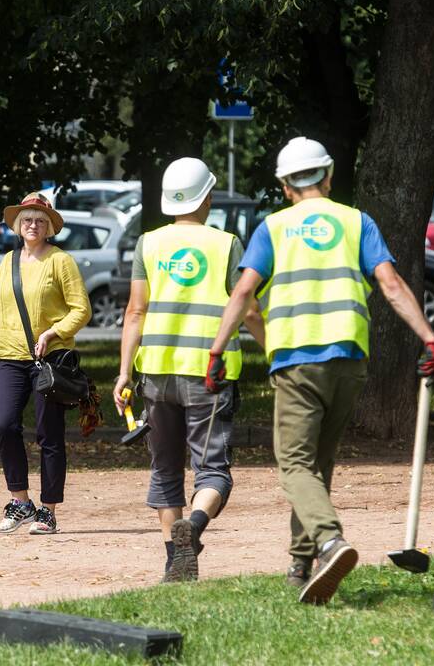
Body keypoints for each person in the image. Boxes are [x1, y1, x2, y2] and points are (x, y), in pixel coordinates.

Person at [207, 137, 434, 604]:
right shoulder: (357, 221)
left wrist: (217, 351)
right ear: (328, 176)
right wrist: (428, 336)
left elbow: (242, 294)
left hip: (297, 361)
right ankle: (301, 563)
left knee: (294, 462)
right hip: (349, 360)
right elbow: (391, 285)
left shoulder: (273, 228)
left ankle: (330, 541)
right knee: (316, 463)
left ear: (284, 185)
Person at [112, 157, 265, 582]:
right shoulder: (226, 244)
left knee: (164, 469)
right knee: (212, 470)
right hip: (208, 374)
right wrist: (275, 350)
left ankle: (174, 562)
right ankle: (192, 529)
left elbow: (135, 312)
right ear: (208, 197)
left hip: (157, 374)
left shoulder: (149, 243)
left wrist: (124, 372)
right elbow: (248, 308)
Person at [0, 192, 92, 535]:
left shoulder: (61, 261)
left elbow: (81, 309)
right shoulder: (7, 262)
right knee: (4, 425)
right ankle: (20, 502)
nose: (33, 225)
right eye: (27, 220)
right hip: (11, 358)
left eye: (40, 220)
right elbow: (1, 316)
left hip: (51, 360)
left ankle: (48, 510)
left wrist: (53, 332)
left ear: (49, 227)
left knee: (50, 434)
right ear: (18, 226)